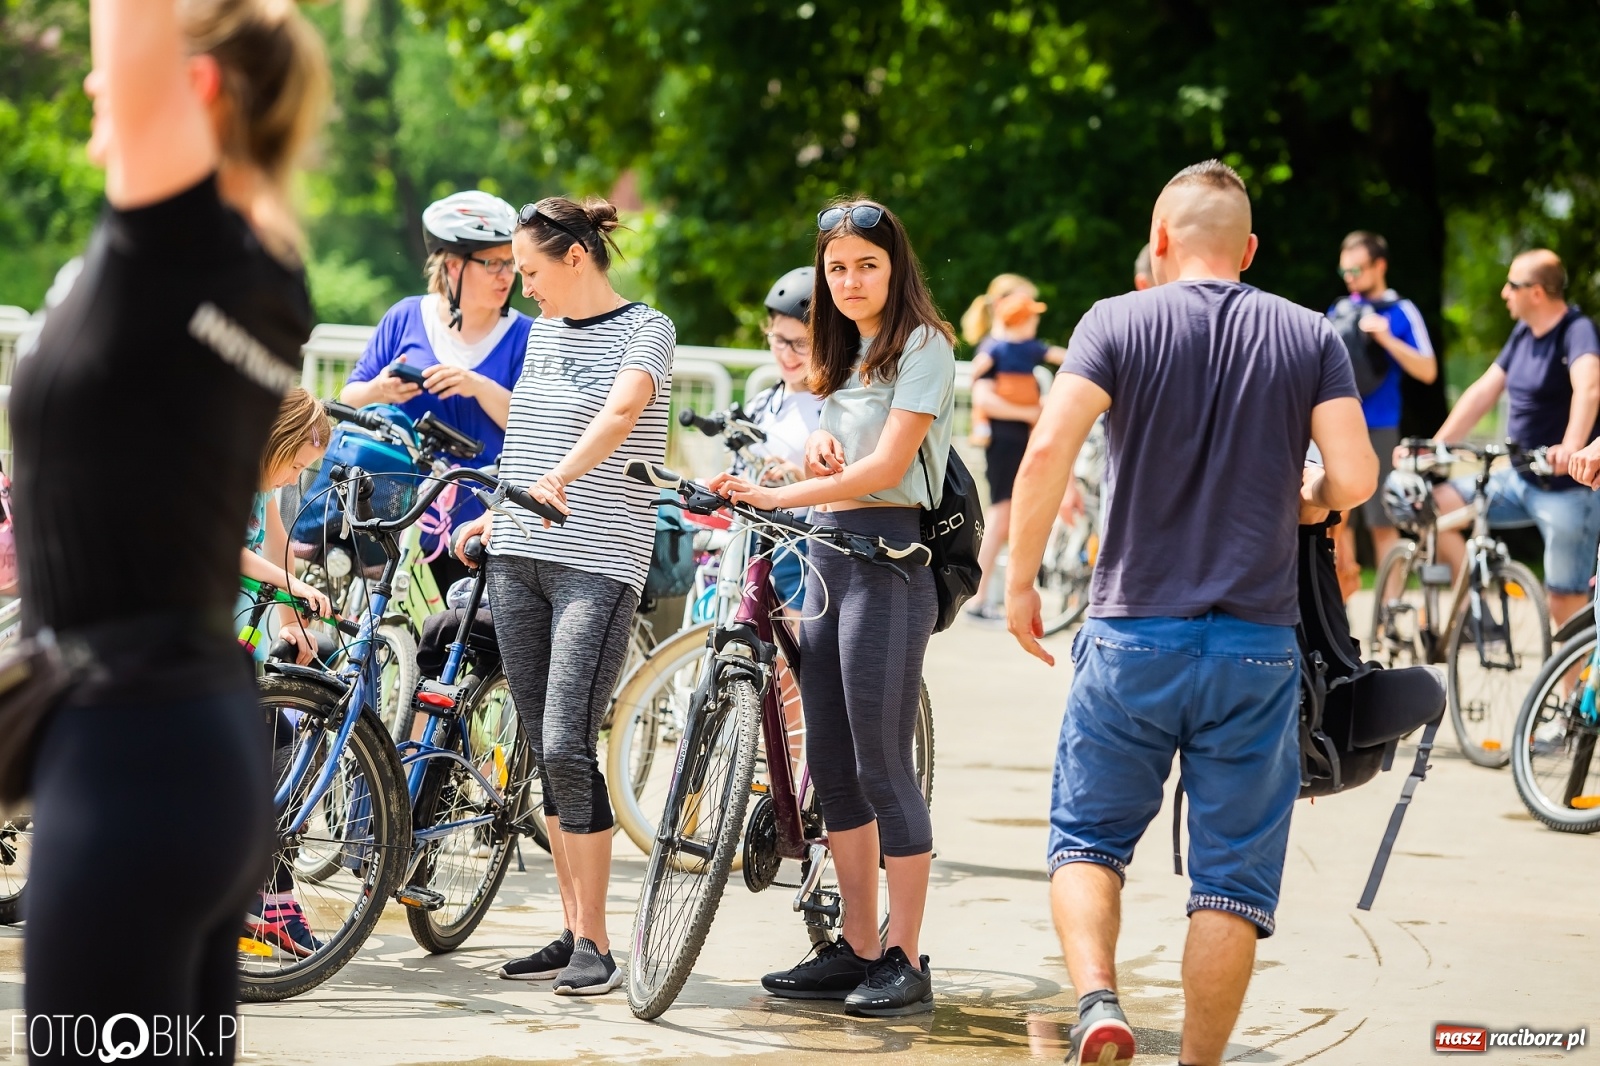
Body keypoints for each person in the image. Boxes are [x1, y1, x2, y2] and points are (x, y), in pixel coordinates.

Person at [1004, 160, 1377, 1066]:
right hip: (1256, 644)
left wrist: (1018, 584)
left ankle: (1099, 1003)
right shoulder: (1309, 334)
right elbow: (1356, 478)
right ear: (1249, 249)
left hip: (1132, 631)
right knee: (1231, 884)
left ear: (1161, 239)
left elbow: (1050, 444)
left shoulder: (1115, 321)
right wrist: (1307, 497)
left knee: (1088, 839)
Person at [10, 0, 327, 1058]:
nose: (97, 83)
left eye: (120, 72)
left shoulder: (178, 255)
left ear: (198, 93)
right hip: (193, 746)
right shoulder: (266, 274)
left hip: (129, 764)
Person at [711, 198, 955, 1017]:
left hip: (887, 564)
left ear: (897, 267)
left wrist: (782, 496)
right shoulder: (841, 349)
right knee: (838, 777)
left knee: (885, 766)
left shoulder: (922, 343)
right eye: (837, 267)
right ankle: (854, 946)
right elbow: (845, 450)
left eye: (867, 265)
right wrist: (816, 450)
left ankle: (905, 957)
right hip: (826, 561)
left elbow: (889, 464)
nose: (850, 281)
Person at [452, 195, 676, 996]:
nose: (524, 287)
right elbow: (529, 439)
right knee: (544, 749)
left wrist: (563, 481)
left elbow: (623, 411)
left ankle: (602, 948)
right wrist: (494, 512)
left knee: (567, 738)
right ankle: (574, 929)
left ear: (577, 258)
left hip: (597, 560)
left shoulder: (648, 328)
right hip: (519, 554)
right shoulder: (544, 333)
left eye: (533, 271)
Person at [340, 191, 531, 591]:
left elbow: (533, 426)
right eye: (493, 263)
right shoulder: (405, 316)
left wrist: (477, 386)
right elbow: (346, 400)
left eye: (510, 262)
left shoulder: (525, 335)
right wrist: (380, 389)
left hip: (480, 521)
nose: (506, 275)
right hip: (396, 512)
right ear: (452, 265)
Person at [1414, 249, 1600, 631]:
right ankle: (1475, 614)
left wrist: (1572, 445)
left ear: (1536, 292)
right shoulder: (1524, 333)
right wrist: (1436, 446)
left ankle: (1572, 690)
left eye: (1512, 285)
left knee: (1564, 599)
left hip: (1567, 489)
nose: (1504, 293)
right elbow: (1483, 392)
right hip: (1517, 480)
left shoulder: (1576, 330)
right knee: (1430, 505)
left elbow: (1590, 388)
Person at [1328, 231, 1437, 599]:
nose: (1350, 277)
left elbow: (1428, 370)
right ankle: (1338, 617)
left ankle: (1388, 615)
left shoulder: (1400, 311)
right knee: (1335, 526)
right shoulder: (1340, 310)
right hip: (1338, 429)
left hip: (1380, 429)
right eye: (1344, 270)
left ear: (1380, 266)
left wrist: (1387, 337)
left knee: (1382, 524)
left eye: (1357, 269)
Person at [961, 281, 1066, 619]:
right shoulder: (996, 350)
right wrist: (1030, 412)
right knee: (1001, 514)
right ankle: (976, 597)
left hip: (1016, 439)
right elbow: (982, 395)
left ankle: (983, 596)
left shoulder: (1023, 349)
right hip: (1005, 440)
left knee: (1007, 515)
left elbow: (1059, 355)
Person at [744, 266, 825, 608]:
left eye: (801, 344)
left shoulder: (832, 405)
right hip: (755, 539)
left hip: (805, 547)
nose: (787, 354)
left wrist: (796, 475)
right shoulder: (763, 402)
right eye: (779, 340)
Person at [238, 387, 334, 666]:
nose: (294, 480)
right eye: (295, 466)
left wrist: (291, 621)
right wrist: (293, 584)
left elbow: (280, 548)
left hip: (241, 634)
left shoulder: (262, 490)